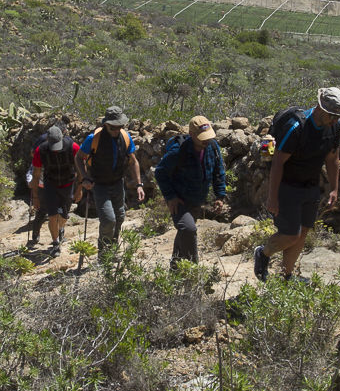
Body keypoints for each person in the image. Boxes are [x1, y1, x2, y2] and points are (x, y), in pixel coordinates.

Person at [254, 87, 340, 282]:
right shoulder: (296, 126)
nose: (335, 120)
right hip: (287, 186)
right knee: (290, 234)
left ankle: (286, 276)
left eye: (338, 116)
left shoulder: (333, 127)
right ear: (321, 109)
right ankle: (263, 253)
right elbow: (278, 162)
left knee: (303, 231)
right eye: (332, 115)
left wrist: (334, 188)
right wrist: (272, 197)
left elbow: (333, 159)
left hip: (311, 186)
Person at [155, 116, 228, 269]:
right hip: (180, 200)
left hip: (197, 199)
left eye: (208, 137)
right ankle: (193, 270)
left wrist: (220, 196)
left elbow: (218, 172)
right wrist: (171, 197)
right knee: (188, 229)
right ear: (192, 134)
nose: (206, 141)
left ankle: (175, 270)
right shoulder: (178, 151)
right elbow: (160, 172)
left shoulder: (213, 147)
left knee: (184, 233)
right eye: (202, 138)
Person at [78, 106, 144, 258]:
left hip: (117, 183)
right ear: (105, 124)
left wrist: (139, 184)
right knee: (108, 220)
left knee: (120, 216)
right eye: (113, 127)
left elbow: (133, 161)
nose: (116, 130)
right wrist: (84, 178)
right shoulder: (93, 138)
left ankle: (112, 248)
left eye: (119, 126)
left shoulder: (125, 137)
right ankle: (104, 253)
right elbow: (78, 157)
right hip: (99, 184)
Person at [31, 125, 82, 256]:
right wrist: (35, 197)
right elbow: (36, 175)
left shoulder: (73, 147)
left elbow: (81, 169)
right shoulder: (40, 151)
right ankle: (55, 243)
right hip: (50, 184)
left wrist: (79, 189)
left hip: (68, 184)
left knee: (64, 216)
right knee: (52, 215)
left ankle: (61, 228)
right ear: (47, 140)